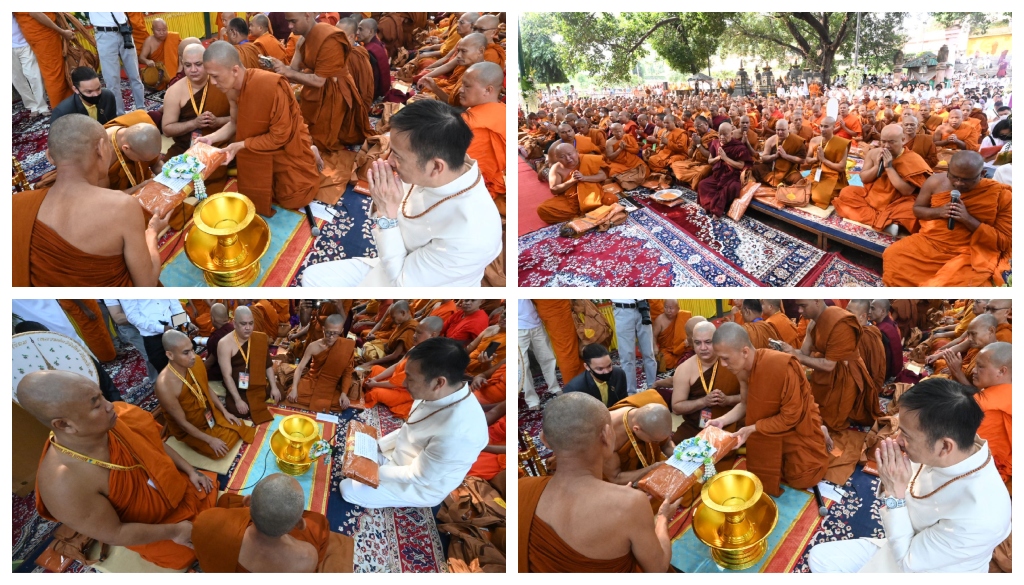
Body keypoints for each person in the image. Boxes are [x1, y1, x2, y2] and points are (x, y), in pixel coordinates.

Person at [807, 378, 1010, 573]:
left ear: (945, 446)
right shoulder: (956, 447)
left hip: (928, 568)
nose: (897, 439)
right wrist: (891, 482)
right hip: (902, 544)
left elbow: (907, 561)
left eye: (906, 434)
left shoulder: (981, 516)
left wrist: (895, 496)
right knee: (819, 557)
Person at [20, 370, 217, 569]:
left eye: (102, 395)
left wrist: (190, 470)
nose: (109, 405)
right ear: (64, 424)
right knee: (207, 548)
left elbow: (153, 445)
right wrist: (174, 532)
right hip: (156, 529)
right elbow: (114, 533)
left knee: (220, 513)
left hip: (181, 491)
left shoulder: (115, 417)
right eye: (97, 404)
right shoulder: (63, 484)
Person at [300, 100, 502, 287]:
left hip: (414, 281)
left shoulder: (470, 237)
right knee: (311, 277)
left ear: (436, 167)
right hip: (393, 258)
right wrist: (384, 201)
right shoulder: (447, 167)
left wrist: (387, 216)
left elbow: (400, 283)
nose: (389, 162)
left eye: (397, 156)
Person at [519, 393, 679, 572]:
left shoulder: (521, 489)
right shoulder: (630, 504)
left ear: (544, 440)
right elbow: (658, 569)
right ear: (607, 435)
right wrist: (663, 518)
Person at [12, 116, 169, 287]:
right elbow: (146, 284)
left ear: (49, 156)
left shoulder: (17, 204)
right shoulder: (122, 206)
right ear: (102, 150)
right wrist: (152, 233)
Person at [340, 338, 488, 508]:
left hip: (419, 485)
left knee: (348, 489)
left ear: (438, 382)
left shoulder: (459, 434)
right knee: (355, 452)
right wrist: (378, 446)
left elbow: (419, 476)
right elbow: (409, 427)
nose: (403, 384)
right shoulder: (437, 393)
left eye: (410, 379)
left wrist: (372, 472)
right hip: (398, 456)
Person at [198, 41, 320, 217]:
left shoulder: (270, 86)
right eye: (210, 76)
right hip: (258, 147)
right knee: (254, 196)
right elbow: (235, 122)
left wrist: (240, 145)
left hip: (283, 147)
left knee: (295, 199)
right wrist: (212, 138)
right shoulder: (230, 88)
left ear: (234, 70)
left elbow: (280, 137)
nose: (213, 82)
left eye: (216, 76)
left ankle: (310, 150)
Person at [710, 323, 829, 497]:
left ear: (744, 352)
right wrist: (723, 420)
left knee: (804, 478)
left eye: (725, 358)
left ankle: (820, 430)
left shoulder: (781, 366)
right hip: (768, 426)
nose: (723, 364)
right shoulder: (741, 369)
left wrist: (753, 428)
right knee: (763, 476)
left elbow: (791, 418)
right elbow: (745, 404)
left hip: (794, 427)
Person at [882, 151, 1011, 287]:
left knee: (951, 283)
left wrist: (967, 219)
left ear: (983, 174)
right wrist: (939, 211)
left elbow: (1005, 241)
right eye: (954, 177)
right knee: (893, 254)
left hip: (970, 251)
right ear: (948, 169)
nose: (959, 183)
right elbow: (918, 209)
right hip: (932, 242)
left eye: (967, 180)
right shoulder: (935, 181)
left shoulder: (1000, 195)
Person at [192, 474, 353, 572]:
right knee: (319, 524)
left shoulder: (205, 521)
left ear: (247, 501)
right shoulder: (306, 557)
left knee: (226, 500)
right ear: (299, 524)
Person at [271, 13, 370, 152]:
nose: (289, 26)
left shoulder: (329, 39)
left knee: (323, 143)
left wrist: (288, 72)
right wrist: (277, 66)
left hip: (334, 90)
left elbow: (319, 81)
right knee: (305, 133)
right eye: (288, 22)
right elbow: (293, 70)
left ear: (307, 15)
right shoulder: (301, 40)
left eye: (293, 21)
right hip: (313, 90)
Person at [155, 330, 255, 459]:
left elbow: (206, 388)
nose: (192, 356)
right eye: (186, 353)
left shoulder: (195, 361)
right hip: (189, 427)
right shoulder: (165, 386)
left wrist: (224, 412)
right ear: (170, 355)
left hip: (208, 413)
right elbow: (182, 423)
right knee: (220, 450)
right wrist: (210, 440)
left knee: (237, 425)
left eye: (192, 349)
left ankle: (217, 427)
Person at [833, 124, 932, 235]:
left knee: (912, 211)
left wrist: (889, 168)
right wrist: (877, 166)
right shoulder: (874, 153)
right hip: (871, 197)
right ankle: (886, 224)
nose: (886, 146)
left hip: (896, 202)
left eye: (891, 142)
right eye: (883, 141)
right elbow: (864, 178)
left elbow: (907, 191)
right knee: (846, 192)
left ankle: (875, 219)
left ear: (903, 140)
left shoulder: (913, 159)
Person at [161, 44, 231, 193]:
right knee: (167, 178)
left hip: (218, 144)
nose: (193, 70)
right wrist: (193, 123)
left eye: (198, 64)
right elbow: (167, 129)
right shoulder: (175, 91)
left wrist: (218, 121)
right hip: (187, 147)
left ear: (207, 62)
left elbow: (240, 119)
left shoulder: (222, 84)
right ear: (182, 64)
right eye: (188, 65)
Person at [671, 321, 741, 442]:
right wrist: (703, 401)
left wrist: (729, 400)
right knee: (678, 447)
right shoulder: (684, 369)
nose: (703, 348)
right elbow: (676, 407)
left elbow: (750, 397)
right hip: (697, 426)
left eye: (708, 342)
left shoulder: (731, 361)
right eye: (698, 343)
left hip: (731, 421)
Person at [363, 316, 444, 419]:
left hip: (406, 391)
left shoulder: (428, 357)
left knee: (376, 392)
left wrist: (376, 383)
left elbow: (402, 382)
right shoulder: (416, 347)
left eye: (419, 333)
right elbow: (397, 365)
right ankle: (368, 385)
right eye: (415, 332)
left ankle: (367, 393)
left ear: (433, 335)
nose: (414, 336)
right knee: (375, 369)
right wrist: (375, 379)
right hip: (394, 380)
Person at [218, 306, 281, 425]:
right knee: (240, 411)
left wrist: (273, 387)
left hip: (259, 385)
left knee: (279, 392)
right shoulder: (224, 343)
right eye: (243, 324)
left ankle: (265, 393)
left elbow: (267, 365)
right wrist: (237, 400)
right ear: (234, 324)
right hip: (239, 389)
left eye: (251, 323)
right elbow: (227, 376)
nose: (248, 328)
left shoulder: (260, 338)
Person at [460, 62, 507, 216]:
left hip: (479, 188)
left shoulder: (470, 121)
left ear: (488, 90)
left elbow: (456, 165)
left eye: (467, 86)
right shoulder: (504, 110)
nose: (460, 90)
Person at [286, 314, 355, 413]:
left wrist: (344, 393)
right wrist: (294, 389)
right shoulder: (313, 346)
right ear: (323, 329)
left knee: (341, 403)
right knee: (291, 393)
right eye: (328, 333)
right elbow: (300, 368)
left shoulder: (346, 347)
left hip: (331, 385)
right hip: (312, 381)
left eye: (335, 333)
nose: (331, 337)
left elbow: (347, 373)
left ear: (341, 331)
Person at [606, 390, 673, 483]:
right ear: (637, 429)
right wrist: (652, 468)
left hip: (649, 466)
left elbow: (666, 442)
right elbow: (616, 478)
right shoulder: (608, 435)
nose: (657, 443)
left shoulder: (656, 408)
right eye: (654, 441)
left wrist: (678, 455)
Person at [88, 12, 146, 115]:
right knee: (112, 80)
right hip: (104, 34)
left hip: (124, 31)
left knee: (135, 75)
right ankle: (120, 115)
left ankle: (142, 110)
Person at [537, 144, 611, 224]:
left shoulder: (587, 159)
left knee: (611, 199)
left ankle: (585, 213)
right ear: (557, 158)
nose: (568, 159)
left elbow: (603, 176)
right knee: (543, 210)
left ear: (577, 152)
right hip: (570, 201)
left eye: (570, 154)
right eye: (562, 157)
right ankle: (589, 213)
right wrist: (571, 181)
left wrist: (583, 178)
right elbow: (554, 190)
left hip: (592, 195)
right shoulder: (556, 168)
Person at [971, 342, 1011, 486]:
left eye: (980, 367)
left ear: (1001, 371)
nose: (973, 371)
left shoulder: (985, 404)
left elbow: (967, 450)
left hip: (987, 473)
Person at [697, 122, 753, 217]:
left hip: (732, 176)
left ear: (731, 134)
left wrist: (725, 158)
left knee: (733, 187)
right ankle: (712, 205)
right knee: (702, 184)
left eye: (725, 134)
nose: (722, 137)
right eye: (720, 134)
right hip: (717, 175)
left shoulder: (739, 147)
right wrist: (718, 158)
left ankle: (717, 208)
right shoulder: (715, 143)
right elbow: (710, 161)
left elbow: (740, 165)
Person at [518, 300, 562, 410]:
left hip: (536, 323)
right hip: (517, 328)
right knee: (522, 366)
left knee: (547, 358)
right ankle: (531, 399)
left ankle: (555, 388)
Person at [611, 300, 657, 396]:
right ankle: (631, 393)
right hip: (622, 310)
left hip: (642, 309)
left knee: (649, 353)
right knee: (627, 356)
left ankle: (653, 389)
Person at [804, 117, 850, 208]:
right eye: (821, 126)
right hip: (815, 174)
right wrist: (816, 159)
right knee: (802, 190)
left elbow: (841, 167)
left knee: (818, 197)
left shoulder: (842, 144)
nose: (822, 129)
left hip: (832, 176)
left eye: (826, 126)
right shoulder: (814, 140)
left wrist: (824, 160)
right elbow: (807, 160)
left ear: (834, 127)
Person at [563, 344, 628, 408]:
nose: (606, 371)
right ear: (587, 367)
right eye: (600, 369)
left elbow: (624, 402)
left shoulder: (619, 374)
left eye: (609, 366)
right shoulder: (574, 389)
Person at [12, 13, 51, 118]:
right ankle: (32, 106)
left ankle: (42, 106)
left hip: (25, 43)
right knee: (17, 79)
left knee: (33, 75)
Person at [50, 66, 117, 125]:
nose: (96, 94)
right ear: (76, 89)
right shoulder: (63, 112)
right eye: (89, 92)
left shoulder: (108, 96)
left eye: (98, 88)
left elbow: (113, 123)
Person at [846, 300, 887, 393]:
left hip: (865, 384)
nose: (845, 315)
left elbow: (872, 370)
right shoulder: (857, 329)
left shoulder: (866, 336)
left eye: (850, 312)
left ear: (863, 316)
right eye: (846, 311)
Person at [335, 17, 374, 111]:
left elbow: (362, 86)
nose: (334, 37)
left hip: (353, 104)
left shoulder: (356, 55)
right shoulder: (342, 50)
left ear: (351, 37)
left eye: (339, 34)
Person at [752, 120, 807, 186]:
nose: (780, 132)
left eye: (783, 130)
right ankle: (779, 183)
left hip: (789, 171)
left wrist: (785, 156)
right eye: (778, 130)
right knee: (754, 168)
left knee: (797, 178)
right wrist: (774, 156)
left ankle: (776, 183)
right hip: (772, 169)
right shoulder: (771, 140)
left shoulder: (797, 141)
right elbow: (764, 157)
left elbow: (802, 160)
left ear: (788, 129)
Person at [671, 116, 716, 190]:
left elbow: (711, 155)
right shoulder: (697, 135)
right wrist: (694, 145)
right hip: (695, 162)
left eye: (698, 126)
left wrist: (698, 144)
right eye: (695, 127)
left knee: (700, 173)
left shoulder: (713, 136)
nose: (696, 129)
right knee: (675, 164)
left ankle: (692, 182)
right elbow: (690, 154)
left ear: (706, 124)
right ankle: (690, 180)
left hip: (707, 164)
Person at [138, 18, 181, 91]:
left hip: (174, 69)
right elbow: (141, 58)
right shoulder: (149, 41)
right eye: (158, 30)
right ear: (152, 30)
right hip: (159, 73)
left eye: (164, 30)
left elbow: (182, 52)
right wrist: (147, 61)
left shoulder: (172, 37)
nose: (162, 33)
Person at [606, 122, 650, 189]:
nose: (619, 133)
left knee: (645, 171)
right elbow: (610, 157)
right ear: (612, 132)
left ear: (623, 130)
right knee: (612, 172)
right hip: (618, 163)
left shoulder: (628, 137)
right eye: (616, 132)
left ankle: (627, 181)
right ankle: (626, 181)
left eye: (620, 131)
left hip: (632, 161)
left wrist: (626, 147)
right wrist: (620, 149)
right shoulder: (609, 142)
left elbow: (636, 151)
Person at [356, 18, 391, 102]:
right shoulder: (376, 44)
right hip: (383, 90)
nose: (357, 32)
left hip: (373, 95)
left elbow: (370, 79)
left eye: (360, 29)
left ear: (371, 32)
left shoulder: (369, 51)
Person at [869, 299, 904, 380]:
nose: (869, 311)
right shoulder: (890, 324)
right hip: (895, 369)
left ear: (883, 312)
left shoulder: (881, 331)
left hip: (885, 374)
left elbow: (880, 360)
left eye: (873, 308)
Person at [652, 299, 691, 372]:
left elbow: (691, 330)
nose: (668, 310)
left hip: (682, 347)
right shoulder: (660, 320)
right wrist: (655, 347)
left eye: (671, 308)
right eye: (666, 307)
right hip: (667, 350)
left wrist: (688, 340)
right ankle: (681, 362)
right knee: (665, 360)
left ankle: (682, 362)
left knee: (692, 354)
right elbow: (653, 335)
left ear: (678, 309)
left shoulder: (684, 315)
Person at [202, 303, 233, 382]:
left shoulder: (215, 338)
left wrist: (197, 370)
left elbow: (210, 362)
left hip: (222, 374)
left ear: (212, 319)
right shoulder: (234, 327)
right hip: (236, 368)